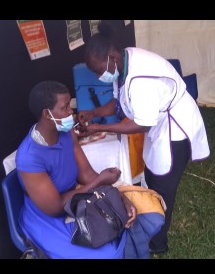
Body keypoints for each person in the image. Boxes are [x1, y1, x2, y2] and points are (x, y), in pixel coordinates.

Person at [77, 23, 210, 255]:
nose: (99, 76)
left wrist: (97, 126)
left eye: (99, 70)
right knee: (151, 175)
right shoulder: (123, 63)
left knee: (164, 187)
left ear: (111, 57)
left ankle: (158, 243)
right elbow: (119, 104)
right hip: (157, 125)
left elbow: (141, 123)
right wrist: (94, 113)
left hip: (174, 129)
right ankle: (150, 219)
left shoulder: (141, 78)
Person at [15, 80, 137, 259]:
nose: (71, 112)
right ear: (47, 114)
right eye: (65, 108)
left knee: (121, 224)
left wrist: (119, 196)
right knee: (107, 253)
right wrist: (101, 181)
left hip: (74, 200)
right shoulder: (29, 158)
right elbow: (55, 207)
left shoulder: (66, 132)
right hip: (46, 219)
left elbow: (87, 174)